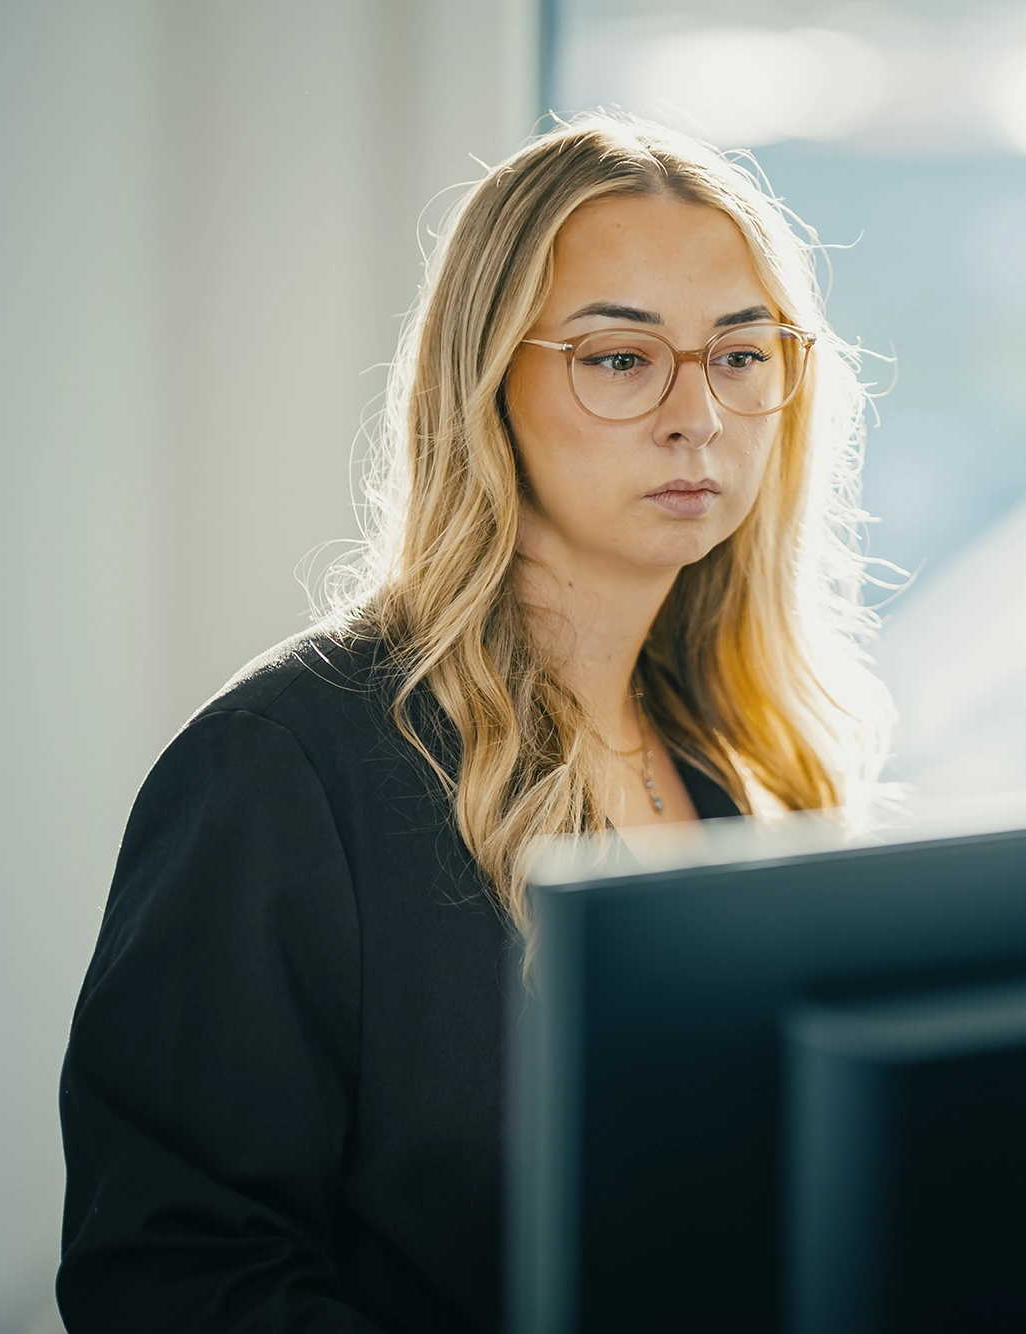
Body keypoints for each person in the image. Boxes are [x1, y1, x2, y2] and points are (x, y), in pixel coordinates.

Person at [57, 113, 891, 1332]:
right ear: (486, 386)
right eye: (618, 358)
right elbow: (172, 1278)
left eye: (739, 354)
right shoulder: (284, 768)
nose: (697, 415)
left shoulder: (755, 761)